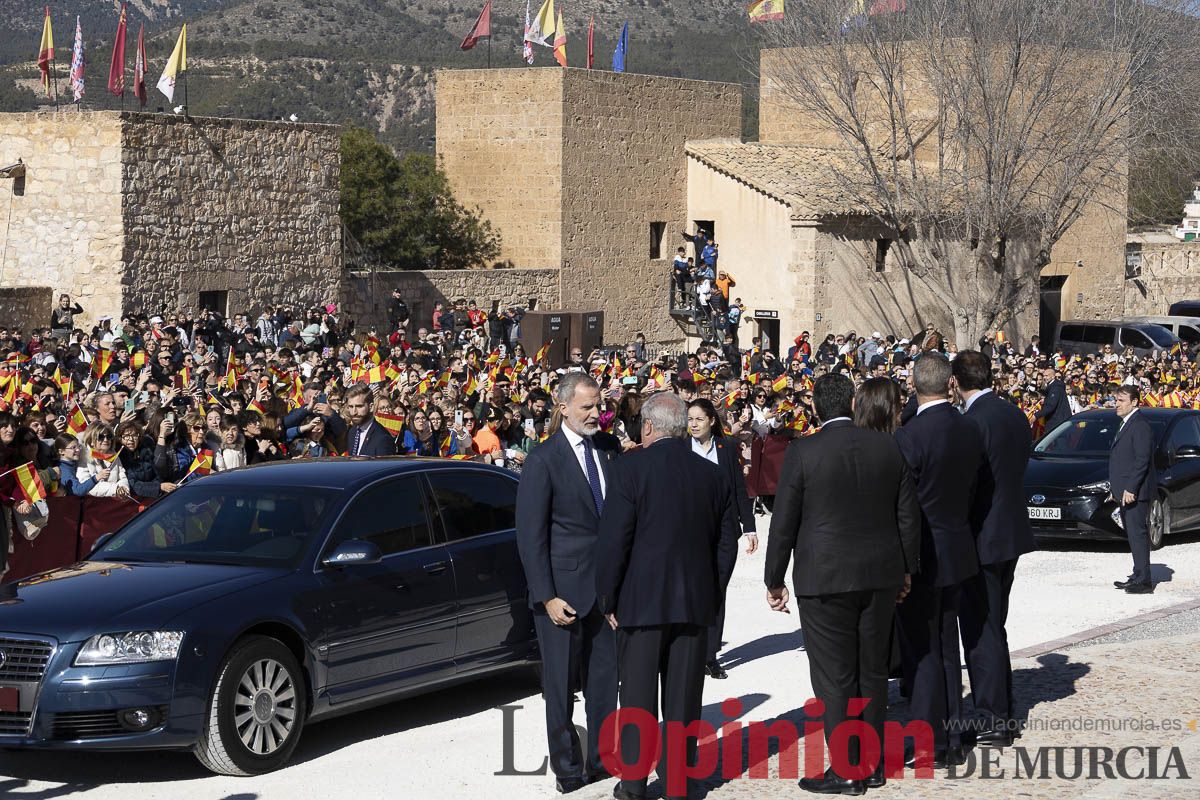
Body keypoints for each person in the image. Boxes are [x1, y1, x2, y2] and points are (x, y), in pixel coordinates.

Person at [764, 373, 920, 793]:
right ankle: (871, 763)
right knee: (871, 672)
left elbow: (784, 523)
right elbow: (907, 515)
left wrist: (773, 579)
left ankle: (848, 769)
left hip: (825, 577)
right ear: (852, 403)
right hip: (880, 574)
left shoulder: (804, 450)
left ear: (815, 407)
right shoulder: (888, 446)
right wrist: (907, 569)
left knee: (834, 677)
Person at [596, 393, 739, 800]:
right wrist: (712, 589)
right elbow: (724, 543)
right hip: (694, 603)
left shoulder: (629, 468)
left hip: (639, 604)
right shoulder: (711, 474)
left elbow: (614, 541)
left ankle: (635, 784)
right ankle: (677, 783)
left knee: (638, 698)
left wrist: (608, 598)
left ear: (649, 426)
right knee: (683, 700)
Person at [515, 372, 620, 793]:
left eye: (598, 406)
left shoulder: (609, 451)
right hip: (562, 595)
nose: (596, 414)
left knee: (603, 684)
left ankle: (601, 759)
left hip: (605, 594)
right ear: (563, 408)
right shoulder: (544, 460)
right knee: (559, 688)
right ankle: (567, 768)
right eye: (587, 408)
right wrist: (546, 596)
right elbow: (530, 535)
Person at [893, 353, 985, 769]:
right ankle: (950, 735)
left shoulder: (909, 435)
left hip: (924, 553)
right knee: (948, 645)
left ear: (914, 386)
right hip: (958, 545)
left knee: (922, 650)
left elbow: (903, 504)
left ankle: (929, 735)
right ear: (949, 384)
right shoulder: (969, 428)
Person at [952, 350, 1036, 748]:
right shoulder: (1014, 414)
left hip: (983, 536)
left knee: (981, 628)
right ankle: (1003, 707)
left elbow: (969, 485)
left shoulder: (973, 422)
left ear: (956, 382)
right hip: (1010, 533)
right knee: (994, 623)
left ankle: (991, 718)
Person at [686, 399, 758, 680]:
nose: (693, 424)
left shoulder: (726, 448)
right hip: (691, 531)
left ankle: (710, 654)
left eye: (699, 419)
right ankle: (691, 649)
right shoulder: (682, 448)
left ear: (711, 421)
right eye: (690, 419)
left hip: (724, 530)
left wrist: (749, 526)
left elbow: (739, 488)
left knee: (717, 589)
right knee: (694, 588)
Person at [1110, 385, 1156, 594]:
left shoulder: (1139, 425)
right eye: (1116, 400)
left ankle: (1144, 581)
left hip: (1135, 492)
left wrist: (1130, 488)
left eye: (1121, 401)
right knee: (1132, 535)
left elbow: (1142, 460)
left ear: (1135, 402)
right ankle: (1138, 574)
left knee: (1138, 534)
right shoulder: (1126, 423)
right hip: (1125, 491)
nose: (1117, 404)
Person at [344, 384, 396, 456]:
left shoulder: (383, 438)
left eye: (359, 406)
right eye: (350, 406)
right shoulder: (352, 432)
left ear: (371, 407)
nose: (354, 412)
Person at [1035, 365, 1071, 438]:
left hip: (1057, 422)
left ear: (1053, 376)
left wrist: (1036, 415)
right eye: (1044, 376)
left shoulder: (1055, 388)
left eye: (1047, 375)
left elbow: (1051, 406)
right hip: (1059, 421)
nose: (1045, 377)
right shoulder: (1053, 386)